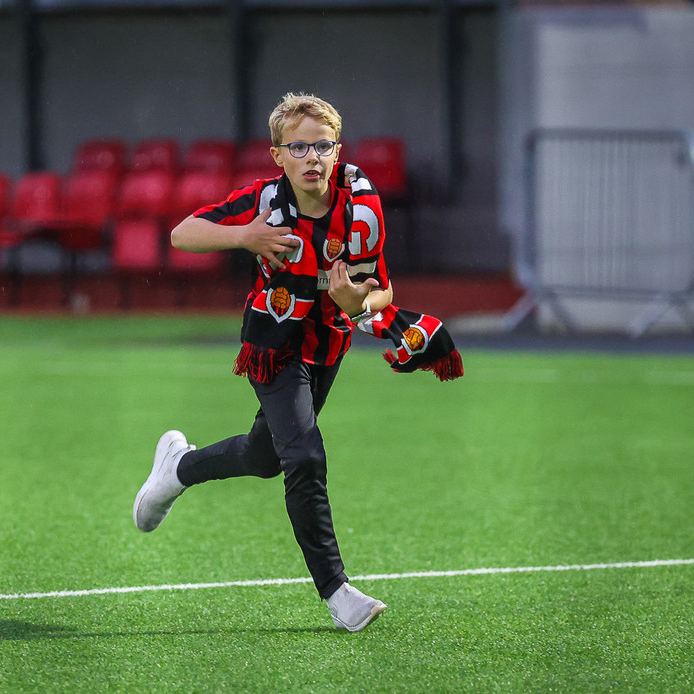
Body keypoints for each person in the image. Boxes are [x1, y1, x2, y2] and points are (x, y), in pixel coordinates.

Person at [133, 93, 462, 632]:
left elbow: (381, 288)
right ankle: (338, 592)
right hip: (275, 343)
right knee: (305, 457)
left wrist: (359, 302)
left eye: (323, 146)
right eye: (299, 147)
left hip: (328, 344)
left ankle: (178, 469)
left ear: (338, 151)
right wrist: (245, 236)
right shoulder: (263, 201)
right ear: (278, 156)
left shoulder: (361, 206)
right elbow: (181, 233)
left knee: (266, 457)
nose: (313, 157)